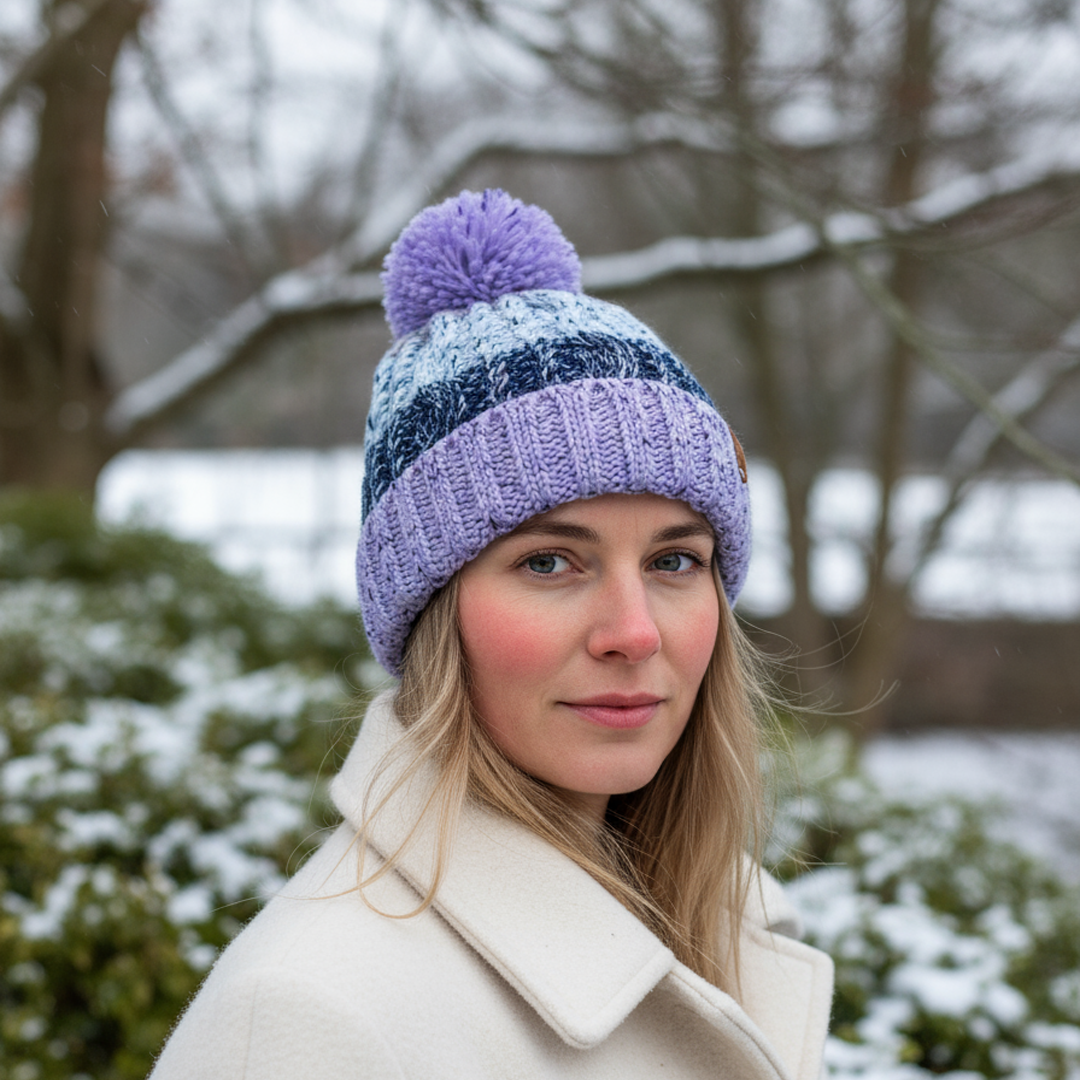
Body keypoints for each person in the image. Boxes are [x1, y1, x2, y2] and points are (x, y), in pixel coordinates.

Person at [149, 189, 834, 1079]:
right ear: (433, 613)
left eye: (675, 562)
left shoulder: (724, 928)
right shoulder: (307, 1020)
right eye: (551, 563)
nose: (633, 633)